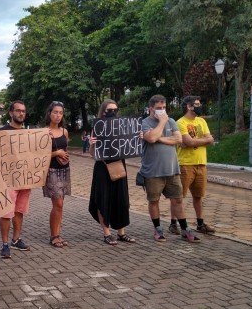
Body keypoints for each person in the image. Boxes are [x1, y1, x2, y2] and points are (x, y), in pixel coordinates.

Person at [140, 95, 201, 243]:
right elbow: (151, 138)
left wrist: (159, 138)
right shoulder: (145, 122)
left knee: (178, 200)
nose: (162, 111)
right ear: (151, 109)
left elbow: (178, 140)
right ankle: (158, 228)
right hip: (153, 171)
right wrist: (161, 122)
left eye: (164, 108)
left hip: (172, 170)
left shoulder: (172, 121)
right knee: (154, 200)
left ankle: (185, 229)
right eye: (158, 108)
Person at [88, 100, 136, 245]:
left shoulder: (123, 126)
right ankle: (107, 233)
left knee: (121, 200)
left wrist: (136, 139)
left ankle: (121, 233)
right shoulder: (98, 127)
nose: (113, 112)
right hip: (103, 168)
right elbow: (93, 153)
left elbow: (130, 146)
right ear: (103, 112)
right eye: (109, 110)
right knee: (103, 199)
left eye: (115, 109)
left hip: (119, 166)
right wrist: (92, 144)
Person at [168, 96, 216, 235]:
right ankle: (173, 223)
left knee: (198, 196)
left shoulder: (201, 121)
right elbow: (188, 142)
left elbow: (211, 139)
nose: (200, 106)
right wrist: (203, 140)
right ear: (189, 106)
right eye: (197, 104)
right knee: (178, 196)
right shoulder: (180, 123)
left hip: (201, 163)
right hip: (185, 164)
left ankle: (200, 223)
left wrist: (196, 141)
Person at [0, 101, 31, 259]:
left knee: (19, 211)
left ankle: (16, 239)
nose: (21, 114)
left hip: (24, 180)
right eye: (18, 111)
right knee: (6, 213)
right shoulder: (1, 132)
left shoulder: (29, 134)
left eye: (23, 111)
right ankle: (4, 243)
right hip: (8, 181)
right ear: (11, 113)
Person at [43, 101, 71, 247]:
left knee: (61, 204)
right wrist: (56, 153)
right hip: (50, 170)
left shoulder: (64, 131)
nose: (58, 115)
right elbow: (39, 154)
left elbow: (65, 148)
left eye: (60, 113)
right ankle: (54, 235)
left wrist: (64, 155)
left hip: (64, 169)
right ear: (49, 113)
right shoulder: (44, 132)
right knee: (58, 203)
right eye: (55, 112)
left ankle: (57, 234)